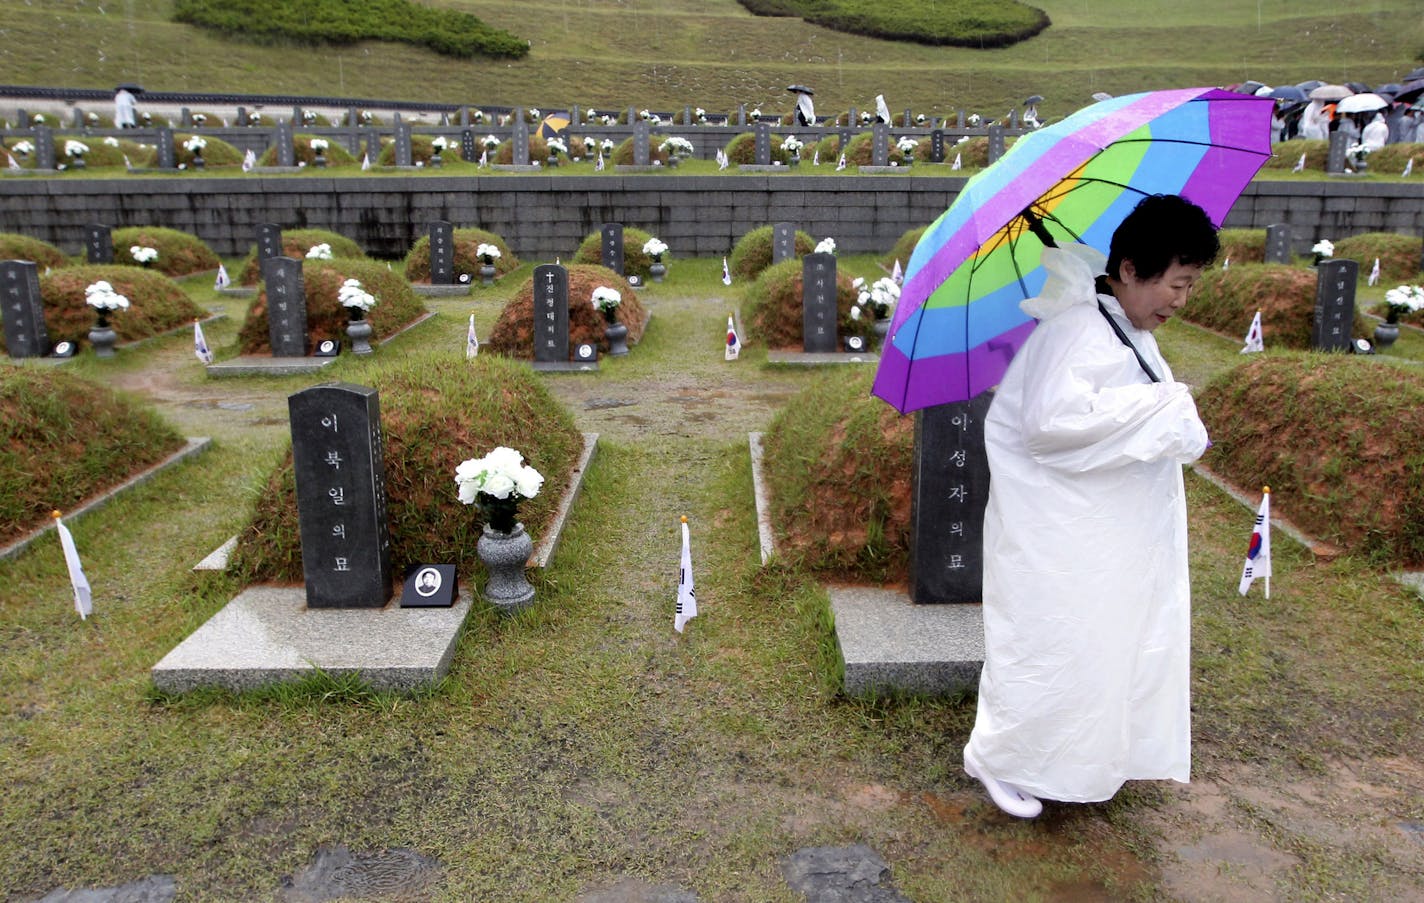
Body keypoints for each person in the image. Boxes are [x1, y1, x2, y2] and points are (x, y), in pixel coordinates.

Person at [963, 194, 1217, 819]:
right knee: (1055, 641)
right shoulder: (1077, 327)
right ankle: (999, 756)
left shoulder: (1120, 325)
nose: (1181, 301)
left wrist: (1159, 405)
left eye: (1190, 286)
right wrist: (1162, 407)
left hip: (1106, 533)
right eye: (1177, 284)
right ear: (1130, 269)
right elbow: (1051, 424)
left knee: (1099, 645)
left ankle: (1077, 759)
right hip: (1064, 534)